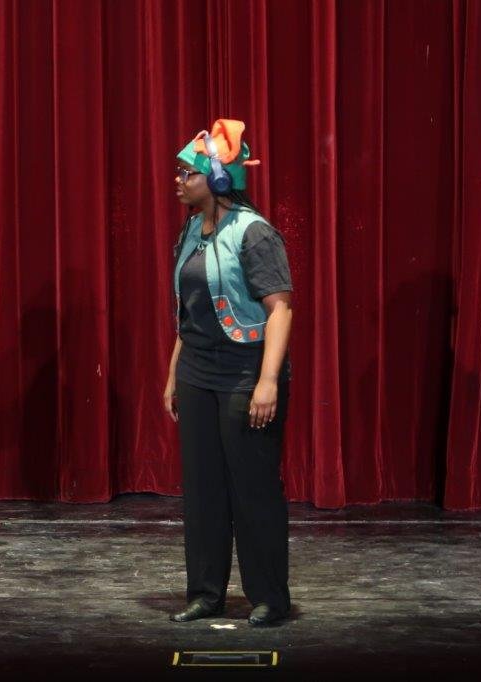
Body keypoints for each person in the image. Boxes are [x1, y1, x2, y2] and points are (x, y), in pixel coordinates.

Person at [163, 120, 293, 627]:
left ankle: (269, 598)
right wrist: (175, 375)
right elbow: (188, 311)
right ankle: (206, 593)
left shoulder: (254, 232)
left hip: (245, 372)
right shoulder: (192, 229)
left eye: (187, 172)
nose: (177, 180)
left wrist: (266, 381)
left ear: (217, 179)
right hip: (198, 372)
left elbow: (280, 308)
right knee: (202, 490)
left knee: (253, 487)